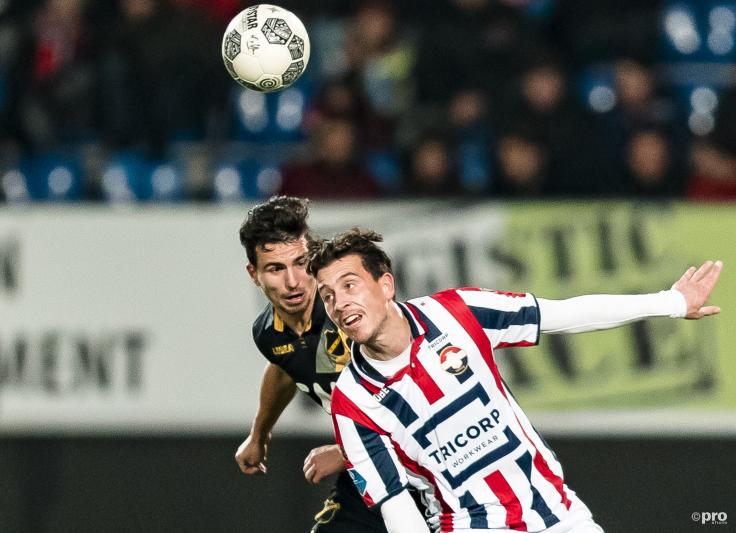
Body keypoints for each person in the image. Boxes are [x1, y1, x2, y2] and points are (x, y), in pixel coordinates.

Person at [308, 228, 722, 532]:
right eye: (328, 296)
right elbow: (396, 507)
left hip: (559, 513)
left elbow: (563, 313)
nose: (340, 303)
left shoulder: (458, 312)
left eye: (350, 285)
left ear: (385, 285)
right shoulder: (354, 400)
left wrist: (670, 302)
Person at [235, 196, 390, 532]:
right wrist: (259, 433)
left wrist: (344, 452)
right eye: (276, 268)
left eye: (301, 263)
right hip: (368, 469)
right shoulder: (268, 334)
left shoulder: (352, 314)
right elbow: (283, 368)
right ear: (254, 273)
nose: (292, 282)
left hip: (432, 464)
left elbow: (418, 399)